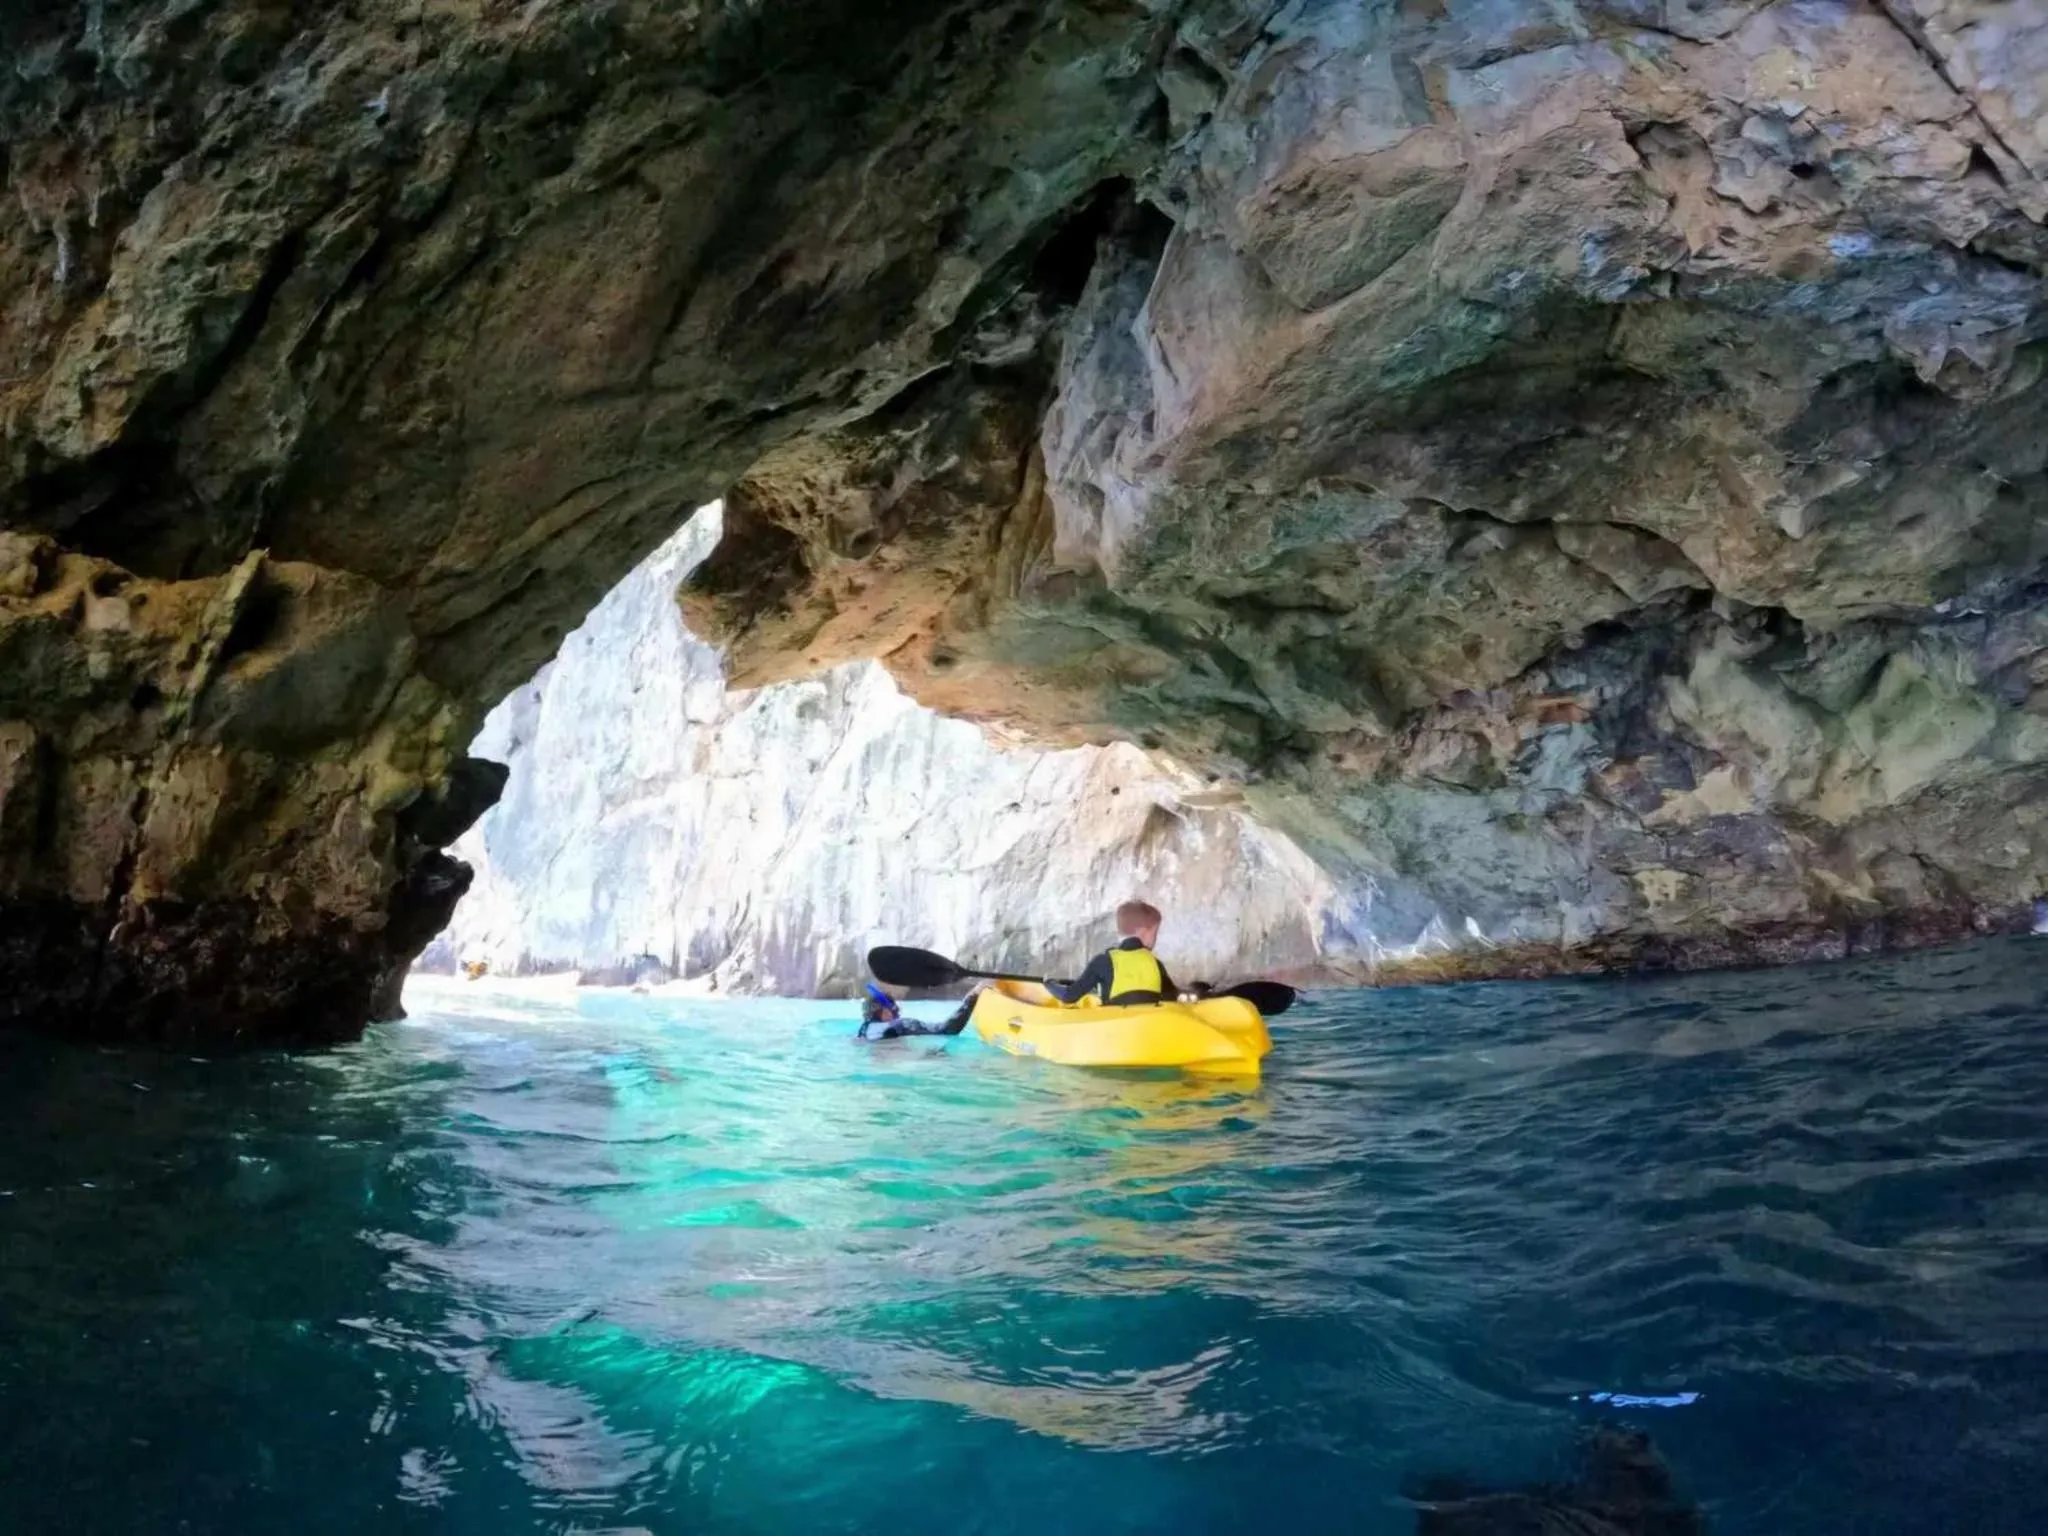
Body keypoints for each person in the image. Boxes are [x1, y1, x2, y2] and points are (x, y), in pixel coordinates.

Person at [1045, 899, 1189, 1006]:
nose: (1156, 939)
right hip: (1147, 1033)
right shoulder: (1155, 964)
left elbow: (1069, 996)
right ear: (1143, 932)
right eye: (1155, 933)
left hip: (1115, 1032)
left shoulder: (1103, 962)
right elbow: (1174, 997)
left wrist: (1049, 983)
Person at [857, 982, 974, 1040]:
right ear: (889, 1011)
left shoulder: (864, 1031)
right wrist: (972, 998)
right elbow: (948, 1030)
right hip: (904, 1066)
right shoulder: (900, 1025)